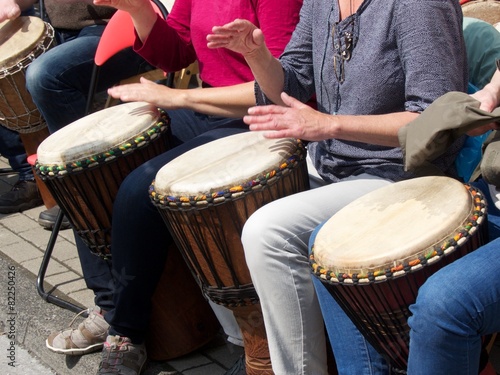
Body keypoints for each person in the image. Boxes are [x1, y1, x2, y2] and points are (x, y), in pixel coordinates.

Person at [205, 0, 468, 373]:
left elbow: (437, 121)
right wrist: (257, 55)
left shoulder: (418, 5)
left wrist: (330, 125)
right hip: (331, 163)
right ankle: (259, 349)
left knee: (268, 232)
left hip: (401, 173)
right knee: (222, 191)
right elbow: (292, 81)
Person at [43, 0, 303, 374]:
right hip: (206, 108)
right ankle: (109, 303)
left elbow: (283, 88)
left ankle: (125, 330)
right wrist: (138, 11)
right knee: (86, 168)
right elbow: (178, 49)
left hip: (254, 119)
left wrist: (177, 97)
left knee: (136, 189)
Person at [0, 0, 156, 228]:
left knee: (44, 75)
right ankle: (33, 175)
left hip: (123, 25)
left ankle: (88, 192)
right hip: (59, 29)